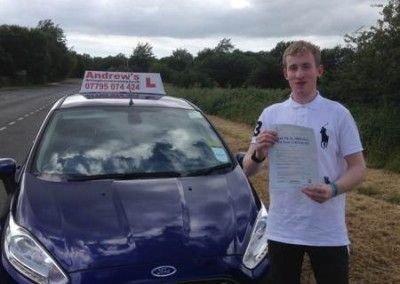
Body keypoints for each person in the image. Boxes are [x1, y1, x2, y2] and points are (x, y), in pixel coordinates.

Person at [242, 40, 366, 284]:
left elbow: (359, 168)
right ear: (285, 73)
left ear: (319, 71)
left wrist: (333, 189)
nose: (299, 74)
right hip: (282, 228)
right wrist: (258, 153)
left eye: (306, 67)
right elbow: (248, 168)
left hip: (327, 230)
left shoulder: (338, 113)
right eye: (293, 68)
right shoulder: (271, 114)